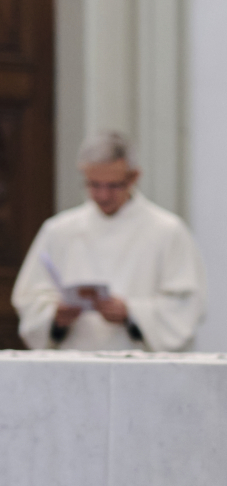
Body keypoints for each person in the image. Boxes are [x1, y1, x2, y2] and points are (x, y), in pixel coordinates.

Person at [12, 132, 205, 351]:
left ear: (134, 177)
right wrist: (56, 316)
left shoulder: (168, 231)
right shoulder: (58, 230)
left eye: (113, 186)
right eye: (94, 185)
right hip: (74, 365)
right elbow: (30, 299)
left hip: (141, 368)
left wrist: (131, 312)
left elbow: (185, 305)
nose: (103, 196)